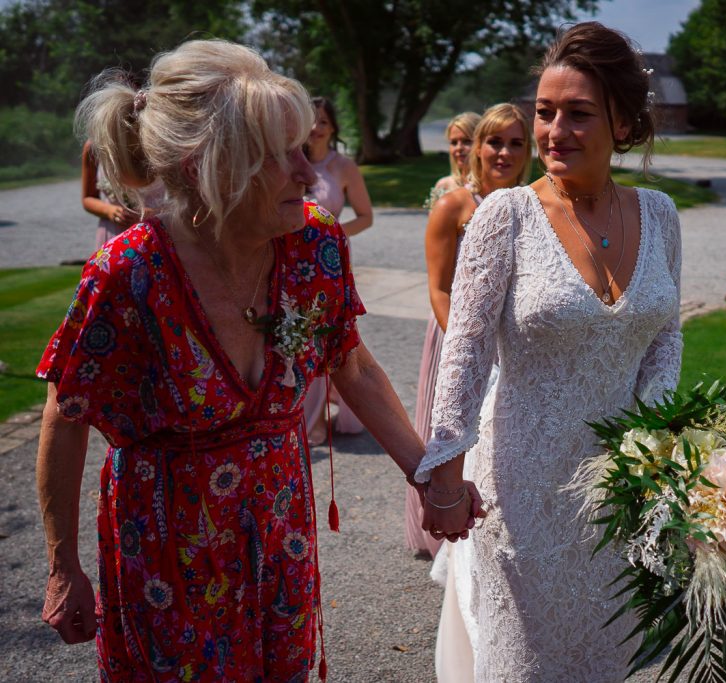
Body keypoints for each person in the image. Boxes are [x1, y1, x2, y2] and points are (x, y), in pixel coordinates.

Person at [35, 39, 479, 681]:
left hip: (280, 532)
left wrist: (427, 475)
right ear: (202, 166)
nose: (307, 171)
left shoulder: (314, 242)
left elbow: (349, 364)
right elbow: (66, 412)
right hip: (167, 551)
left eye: (306, 147)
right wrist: (61, 567)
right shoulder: (128, 275)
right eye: (281, 156)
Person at [416, 22, 683, 682]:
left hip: (618, 498)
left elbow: (665, 336)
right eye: (545, 111)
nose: (554, 130)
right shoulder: (504, 215)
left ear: (622, 122)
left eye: (578, 113)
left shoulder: (663, 214)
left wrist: (653, 448)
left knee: (606, 659)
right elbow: (467, 352)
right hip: (522, 495)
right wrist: (444, 468)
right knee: (523, 665)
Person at [406, 103, 532, 559]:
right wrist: (469, 343)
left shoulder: (534, 203)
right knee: (454, 434)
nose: (505, 152)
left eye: (516, 143)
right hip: (460, 336)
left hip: (516, 346)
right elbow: (439, 288)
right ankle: (444, 525)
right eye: (495, 142)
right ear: (477, 149)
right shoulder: (453, 205)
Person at [302, 96, 374, 444]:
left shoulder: (343, 167)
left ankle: (317, 416)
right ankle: (302, 412)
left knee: (325, 332)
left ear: (333, 129)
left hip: (328, 262)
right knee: (294, 332)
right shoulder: (289, 161)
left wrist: (330, 235)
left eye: (323, 123)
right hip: (291, 259)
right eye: (311, 121)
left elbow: (365, 216)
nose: (316, 129)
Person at [81, 138, 163, 251]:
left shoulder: (162, 141)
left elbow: (184, 199)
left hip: (155, 232)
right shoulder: (94, 147)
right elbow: (87, 199)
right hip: (112, 234)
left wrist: (155, 213)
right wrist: (109, 211)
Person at [425, 112, 481, 208]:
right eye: (454, 142)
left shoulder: (496, 185)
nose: (459, 148)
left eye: (467, 141)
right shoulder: (444, 186)